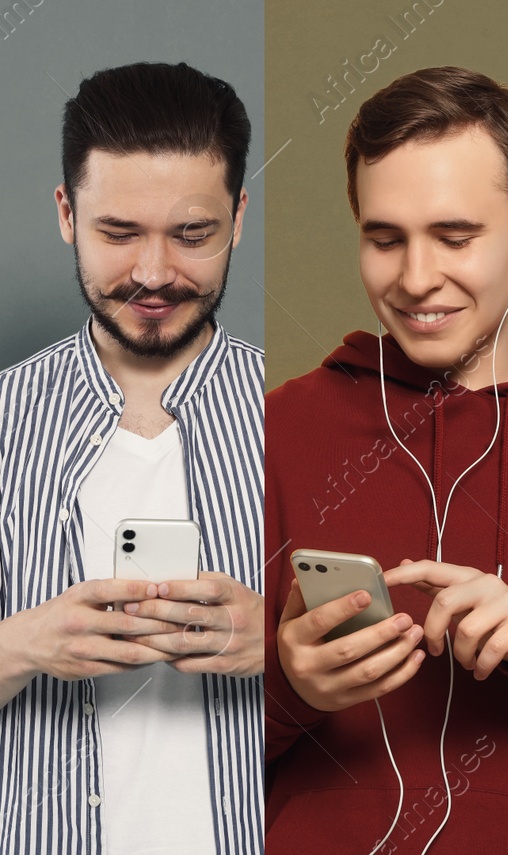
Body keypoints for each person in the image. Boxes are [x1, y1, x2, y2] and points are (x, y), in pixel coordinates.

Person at [262, 67, 508, 853]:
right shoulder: (276, 428)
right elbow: (174, 760)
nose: (416, 279)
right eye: (385, 239)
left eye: (455, 237)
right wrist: (290, 687)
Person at [0, 62, 264, 853]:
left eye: (192, 234)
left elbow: (415, 705)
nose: (154, 275)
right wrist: (23, 644)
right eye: (119, 233)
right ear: (66, 214)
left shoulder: (304, 415)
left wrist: (276, 650)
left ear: (239, 218)